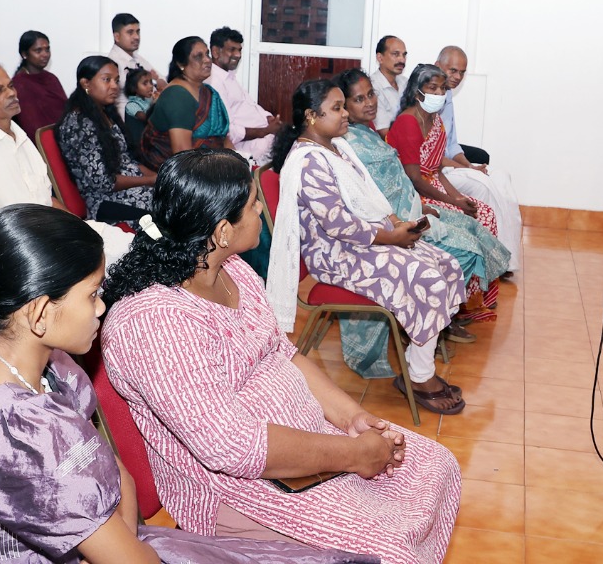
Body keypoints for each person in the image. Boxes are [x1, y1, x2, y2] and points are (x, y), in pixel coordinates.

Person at [0, 204, 374, 564]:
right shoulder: (15, 435)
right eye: (93, 294)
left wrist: (116, 515)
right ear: (40, 312)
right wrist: (117, 517)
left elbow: (113, 474)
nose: (103, 306)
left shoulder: (43, 361)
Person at [101, 149, 459, 563]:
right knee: (389, 549)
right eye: (253, 203)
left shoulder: (232, 270)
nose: (261, 209)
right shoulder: (153, 322)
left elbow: (284, 354)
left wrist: (351, 418)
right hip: (239, 487)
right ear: (221, 230)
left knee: (436, 464)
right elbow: (232, 448)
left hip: (306, 440)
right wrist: (355, 454)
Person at [268, 79, 470, 412]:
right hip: (334, 254)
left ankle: (416, 365)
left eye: (343, 106)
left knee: (445, 264)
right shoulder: (308, 161)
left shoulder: (336, 146)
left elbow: (369, 197)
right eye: (337, 108)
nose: (346, 113)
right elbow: (338, 225)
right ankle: (418, 376)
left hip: (363, 239)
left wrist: (395, 223)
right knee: (428, 279)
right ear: (311, 116)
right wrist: (392, 237)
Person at [333, 68, 510, 376]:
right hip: (397, 222)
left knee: (475, 223)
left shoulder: (370, 131)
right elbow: (385, 189)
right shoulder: (351, 141)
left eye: (371, 95)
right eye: (359, 99)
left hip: (412, 207)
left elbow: (404, 178)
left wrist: (435, 204)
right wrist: (420, 212)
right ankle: (427, 323)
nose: (370, 103)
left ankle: (445, 315)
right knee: (467, 247)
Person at [0, 61, 133, 263]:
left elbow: (46, 199)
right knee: (110, 262)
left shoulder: (21, 138)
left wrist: (79, 227)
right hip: (24, 250)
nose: (11, 93)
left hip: (51, 232)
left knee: (128, 245)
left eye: (10, 86)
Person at [386, 64, 501, 241]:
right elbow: (415, 179)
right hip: (412, 196)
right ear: (417, 93)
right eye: (433, 88)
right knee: (469, 220)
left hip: (434, 188)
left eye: (443, 88)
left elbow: (436, 170)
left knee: (484, 212)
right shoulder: (408, 122)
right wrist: (454, 202)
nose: (440, 93)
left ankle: (482, 268)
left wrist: (458, 197)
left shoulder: (436, 120)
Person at [434, 46, 522, 272]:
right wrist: (471, 171)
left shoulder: (448, 94)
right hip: (437, 171)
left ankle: (508, 257)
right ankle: (494, 260)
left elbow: (451, 144)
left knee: (502, 176)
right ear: (437, 65)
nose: (457, 77)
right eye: (452, 70)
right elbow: (431, 156)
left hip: (450, 165)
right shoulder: (426, 98)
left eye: (462, 72)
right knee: (484, 185)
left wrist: (470, 165)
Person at [55, 56, 155, 224]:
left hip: (132, 187)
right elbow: (102, 182)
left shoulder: (106, 112)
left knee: (175, 198)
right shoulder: (79, 124)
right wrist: (149, 181)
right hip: (105, 202)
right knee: (162, 216)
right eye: (106, 80)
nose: (114, 86)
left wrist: (158, 178)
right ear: (86, 84)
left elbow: (129, 160)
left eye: (116, 80)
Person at [138, 36, 230, 171]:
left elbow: (223, 139)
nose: (207, 60)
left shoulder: (207, 92)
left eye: (207, 54)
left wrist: (237, 163)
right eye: (198, 56)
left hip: (210, 165)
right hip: (179, 174)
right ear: (181, 64)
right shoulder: (177, 95)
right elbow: (182, 155)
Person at [204, 27, 281, 165]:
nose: (238, 55)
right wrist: (264, 131)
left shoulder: (229, 77)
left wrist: (268, 118)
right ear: (215, 52)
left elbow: (250, 106)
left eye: (239, 50)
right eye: (232, 49)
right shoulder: (214, 81)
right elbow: (228, 131)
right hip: (250, 148)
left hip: (264, 138)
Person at [12, 30, 66, 139]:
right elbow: (31, 126)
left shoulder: (51, 78)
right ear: (24, 54)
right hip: (40, 144)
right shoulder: (19, 84)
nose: (45, 54)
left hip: (63, 136)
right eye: (38, 50)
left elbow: (65, 111)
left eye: (47, 49)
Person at [108, 13, 162, 120]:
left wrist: (158, 81)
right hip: (127, 122)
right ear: (117, 37)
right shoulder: (112, 63)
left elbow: (161, 80)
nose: (136, 37)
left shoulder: (138, 59)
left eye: (138, 32)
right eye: (130, 32)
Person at [372, 35, 407, 135]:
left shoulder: (406, 82)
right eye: (395, 54)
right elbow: (384, 133)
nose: (402, 60)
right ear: (380, 58)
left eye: (404, 55)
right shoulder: (373, 87)